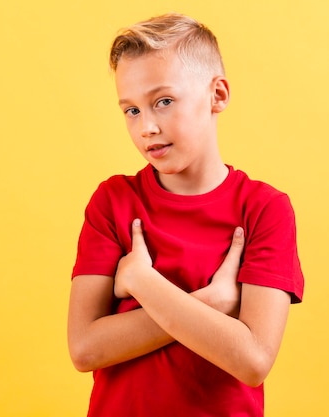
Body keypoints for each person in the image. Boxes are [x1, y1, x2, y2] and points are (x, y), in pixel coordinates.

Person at [68, 13, 304, 417]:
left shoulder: (265, 209)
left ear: (218, 95)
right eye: (131, 110)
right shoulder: (113, 202)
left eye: (163, 102)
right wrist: (211, 302)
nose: (147, 128)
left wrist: (144, 283)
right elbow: (85, 348)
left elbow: (252, 361)